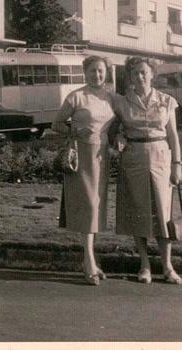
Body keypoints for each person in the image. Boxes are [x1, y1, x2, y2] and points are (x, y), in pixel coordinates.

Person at [109, 56, 182, 285]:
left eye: (143, 72)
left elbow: (173, 136)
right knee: (138, 211)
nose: (139, 77)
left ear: (152, 74)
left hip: (161, 156)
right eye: (134, 73)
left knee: (163, 213)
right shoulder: (121, 102)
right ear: (129, 77)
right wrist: (118, 137)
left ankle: (167, 266)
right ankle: (144, 264)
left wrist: (177, 164)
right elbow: (111, 132)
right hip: (133, 158)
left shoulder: (166, 101)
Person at [52, 55, 116, 286]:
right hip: (83, 157)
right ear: (85, 73)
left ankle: (91, 260)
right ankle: (89, 262)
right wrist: (75, 132)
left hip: (102, 157)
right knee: (88, 206)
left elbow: (117, 125)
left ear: (106, 73)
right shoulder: (76, 96)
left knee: (97, 207)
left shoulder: (111, 97)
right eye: (92, 71)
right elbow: (56, 124)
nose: (97, 75)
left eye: (100, 71)